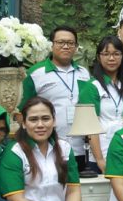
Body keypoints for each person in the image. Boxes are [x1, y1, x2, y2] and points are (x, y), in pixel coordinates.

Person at [19, 26, 90, 165]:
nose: (66, 46)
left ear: (76, 47)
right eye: (60, 42)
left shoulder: (84, 73)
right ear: (51, 45)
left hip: (81, 147)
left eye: (70, 43)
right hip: (49, 146)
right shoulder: (35, 73)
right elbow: (23, 110)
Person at [80, 36, 123, 174]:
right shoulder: (92, 87)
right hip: (101, 155)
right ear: (98, 57)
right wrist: (100, 160)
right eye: (106, 54)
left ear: (122, 56)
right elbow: (90, 127)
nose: (111, 58)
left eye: (116, 54)